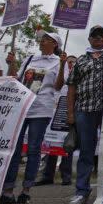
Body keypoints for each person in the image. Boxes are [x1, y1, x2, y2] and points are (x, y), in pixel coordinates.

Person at [0, 31, 62, 204]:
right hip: (23, 106)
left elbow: (58, 86)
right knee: (14, 149)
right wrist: (12, 64)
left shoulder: (58, 61)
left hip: (42, 108)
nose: (42, 41)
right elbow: (16, 79)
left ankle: (26, 191)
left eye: (46, 39)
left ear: (54, 43)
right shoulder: (31, 58)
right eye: (41, 38)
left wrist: (64, 65)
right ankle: (7, 192)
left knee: (33, 148)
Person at [64, 25, 103, 204]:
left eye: (101, 35)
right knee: (86, 151)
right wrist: (70, 113)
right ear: (89, 39)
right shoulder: (81, 60)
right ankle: (81, 192)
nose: (98, 38)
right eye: (94, 35)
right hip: (84, 109)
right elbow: (72, 87)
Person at [37, 53, 77, 186]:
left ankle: (66, 176)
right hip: (55, 112)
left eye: (73, 62)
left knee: (67, 144)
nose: (71, 64)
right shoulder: (60, 74)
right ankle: (47, 175)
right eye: (69, 62)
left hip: (69, 113)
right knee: (51, 142)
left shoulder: (78, 76)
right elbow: (55, 88)